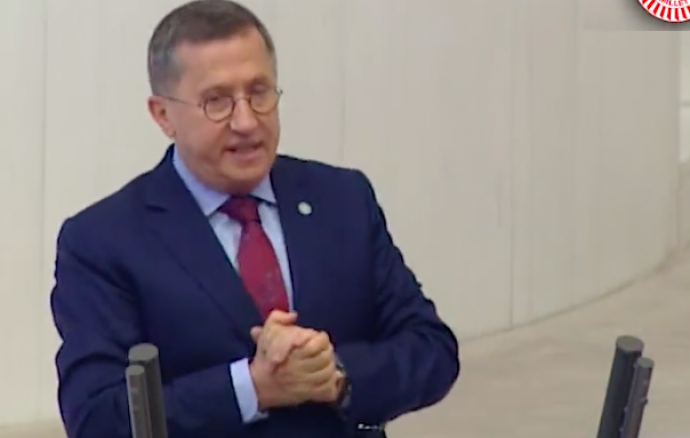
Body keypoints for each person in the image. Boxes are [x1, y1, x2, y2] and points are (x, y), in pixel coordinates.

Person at [49, 1, 460, 437]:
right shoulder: (103, 240)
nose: (246, 122)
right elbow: (97, 418)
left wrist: (334, 374)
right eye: (217, 101)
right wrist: (252, 387)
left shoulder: (343, 199)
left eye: (259, 92)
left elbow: (431, 350)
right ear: (163, 114)